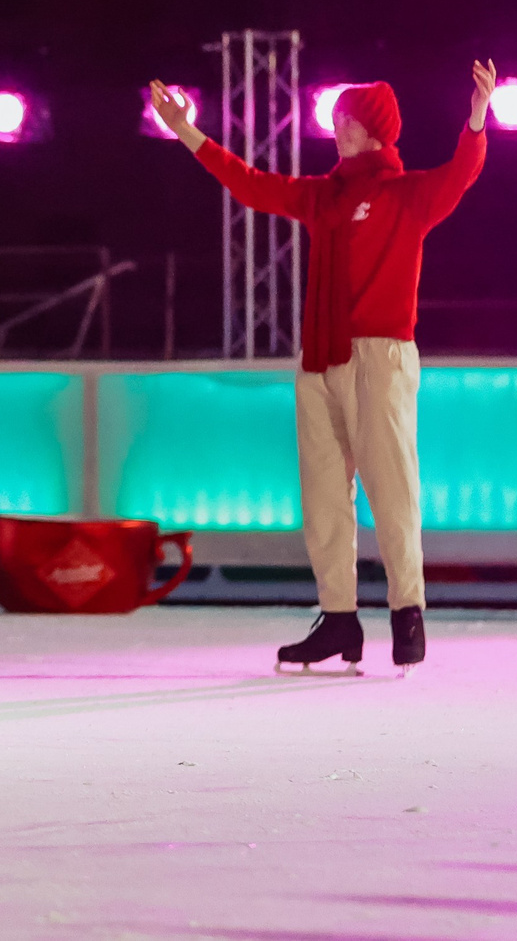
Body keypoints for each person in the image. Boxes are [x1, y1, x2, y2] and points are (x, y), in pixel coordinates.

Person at [147, 64, 494, 674]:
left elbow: (462, 173)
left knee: (393, 492)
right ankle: (339, 619)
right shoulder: (323, 196)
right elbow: (252, 185)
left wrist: (476, 116)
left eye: (347, 122)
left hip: (379, 356)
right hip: (320, 359)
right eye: (336, 121)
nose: (337, 132)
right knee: (326, 500)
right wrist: (187, 133)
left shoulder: (406, 194)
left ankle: (407, 613)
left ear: (375, 131)